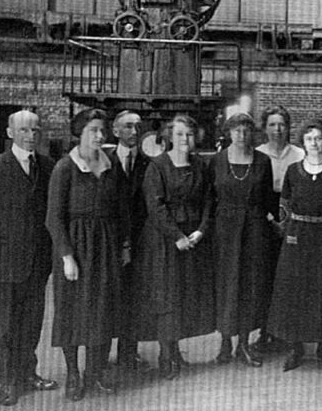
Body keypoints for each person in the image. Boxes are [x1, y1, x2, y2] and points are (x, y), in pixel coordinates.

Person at [0, 109, 59, 407]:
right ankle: (8, 382)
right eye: (23, 130)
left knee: (32, 322)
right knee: (6, 325)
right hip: (3, 262)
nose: (31, 136)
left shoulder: (47, 166)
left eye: (35, 130)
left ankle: (28, 373)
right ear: (10, 133)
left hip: (38, 261)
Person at [46, 109, 129, 400]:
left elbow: (121, 211)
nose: (99, 135)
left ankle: (96, 372)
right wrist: (67, 256)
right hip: (76, 249)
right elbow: (53, 218)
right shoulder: (64, 168)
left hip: (106, 245)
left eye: (102, 130)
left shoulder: (112, 165)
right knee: (72, 312)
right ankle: (73, 374)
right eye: (93, 130)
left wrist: (123, 246)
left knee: (103, 310)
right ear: (79, 133)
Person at [134, 114, 216, 380]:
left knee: (184, 296)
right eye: (180, 134)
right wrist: (176, 236)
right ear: (170, 137)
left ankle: (176, 350)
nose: (185, 139)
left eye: (189, 135)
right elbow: (155, 207)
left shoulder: (201, 166)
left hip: (192, 239)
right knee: (166, 296)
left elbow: (208, 202)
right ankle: (166, 355)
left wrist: (201, 230)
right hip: (163, 241)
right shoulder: (157, 166)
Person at [268, 120, 322, 371]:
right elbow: (284, 206)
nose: (314, 143)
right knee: (295, 295)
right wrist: (285, 234)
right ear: (302, 143)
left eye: (318, 139)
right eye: (309, 139)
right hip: (297, 240)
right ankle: (295, 349)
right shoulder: (293, 171)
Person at [210, 113, 275, 367]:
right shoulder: (215, 161)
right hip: (224, 230)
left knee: (250, 284)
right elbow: (209, 197)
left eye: (246, 130)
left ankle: (244, 345)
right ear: (229, 133)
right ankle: (225, 343)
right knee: (227, 286)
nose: (241, 135)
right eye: (236, 130)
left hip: (255, 229)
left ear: (252, 133)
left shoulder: (263, 161)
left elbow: (269, 198)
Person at [254, 105, 304, 350]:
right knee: (265, 277)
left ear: (288, 127)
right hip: (264, 219)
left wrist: (288, 222)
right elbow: (254, 195)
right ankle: (264, 331)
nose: (277, 129)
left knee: (288, 279)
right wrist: (270, 219)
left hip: (293, 220)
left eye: (282, 124)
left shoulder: (299, 154)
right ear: (265, 128)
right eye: (272, 124)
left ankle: (288, 332)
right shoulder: (257, 153)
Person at [104, 109, 150, 371]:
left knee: (134, 299)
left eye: (138, 127)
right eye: (129, 126)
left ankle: (128, 352)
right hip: (109, 242)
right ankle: (101, 354)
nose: (134, 132)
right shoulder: (102, 160)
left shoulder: (149, 163)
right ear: (116, 130)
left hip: (140, 242)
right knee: (108, 297)